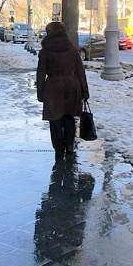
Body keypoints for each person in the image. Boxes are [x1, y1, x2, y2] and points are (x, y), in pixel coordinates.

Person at [36, 22, 89, 161]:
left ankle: (58, 149)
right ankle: (70, 147)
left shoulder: (46, 50)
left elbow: (41, 73)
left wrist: (40, 92)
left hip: (53, 87)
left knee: (55, 120)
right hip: (72, 86)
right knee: (69, 118)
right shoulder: (71, 48)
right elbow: (80, 71)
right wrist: (85, 90)